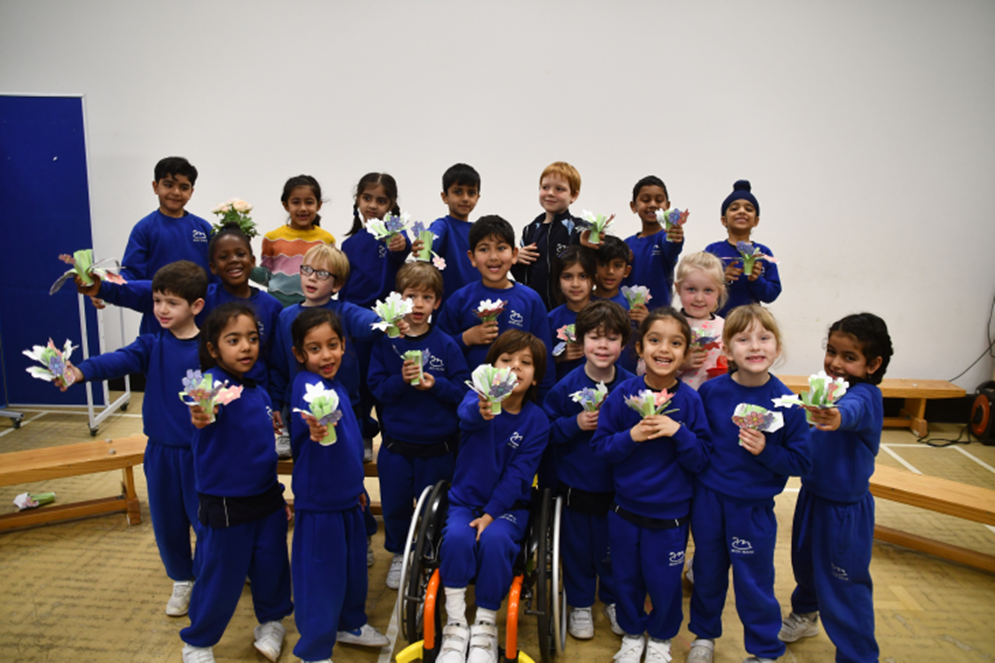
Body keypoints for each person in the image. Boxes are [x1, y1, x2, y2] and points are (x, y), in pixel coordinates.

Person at [60, 261, 207, 617]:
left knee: (206, 522)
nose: (161, 309)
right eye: (157, 300)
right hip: (160, 452)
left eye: (172, 302)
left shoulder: (212, 347)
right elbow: (118, 360)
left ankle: (209, 577)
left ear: (197, 306)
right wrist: (79, 371)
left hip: (203, 453)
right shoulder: (151, 343)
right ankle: (181, 579)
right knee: (168, 521)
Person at [688, 305, 812, 663]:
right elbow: (701, 444)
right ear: (728, 350)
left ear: (777, 347)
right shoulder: (710, 394)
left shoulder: (788, 403)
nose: (755, 346)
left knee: (753, 584)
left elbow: (802, 462)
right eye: (743, 339)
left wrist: (766, 452)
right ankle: (704, 636)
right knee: (707, 574)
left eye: (764, 338)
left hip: (753, 510)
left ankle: (765, 651)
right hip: (709, 502)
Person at [591, 308, 712, 663]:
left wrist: (679, 433)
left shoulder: (690, 401)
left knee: (664, 582)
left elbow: (701, 458)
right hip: (625, 512)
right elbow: (601, 448)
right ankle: (632, 633)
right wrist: (631, 435)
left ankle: (660, 638)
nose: (664, 349)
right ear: (640, 348)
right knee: (625, 578)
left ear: (686, 353)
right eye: (655, 340)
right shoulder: (623, 395)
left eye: (675, 343)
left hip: (671, 518)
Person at [180, 303, 293, 663]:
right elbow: (202, 411)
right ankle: (198, 641)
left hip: (266, 499)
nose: (246, 347)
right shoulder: (210, 385)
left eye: (252, 338)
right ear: (213, 348)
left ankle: (272, 622)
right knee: (220, 575)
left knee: (272, 566)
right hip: (226, 504)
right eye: (234, 340)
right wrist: (201, 412)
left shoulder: (257, 390)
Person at [780, 313, 893, 663]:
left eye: (849, 356)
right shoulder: (826, 389)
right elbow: (797, 412)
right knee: (806, 565)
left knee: (844, 585)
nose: (835, 362)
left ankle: (858, 655)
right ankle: (806, 614)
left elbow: (853, 411)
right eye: (831, 351)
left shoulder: (866, 396)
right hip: (812, 495)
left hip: (844, 509)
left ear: (872, 364)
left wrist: (837, 416)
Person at [437, 331, 550, 663]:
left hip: (507, 509)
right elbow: (469, 413)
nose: (515, 367)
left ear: (535, 378)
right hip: (464, 502)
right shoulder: (476, 400)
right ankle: (456, 624)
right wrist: (484, 409)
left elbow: (519, 476)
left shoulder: (537, 422)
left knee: (496, 542)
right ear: (490, 368)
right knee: (457, 538)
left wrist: (490, 514)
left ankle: (486, 625)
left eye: (525, 363)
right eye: (506, 360)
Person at [266, 244, 383, 560]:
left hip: (347, 416)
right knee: (312, 473)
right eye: (306, 270)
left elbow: (372, 325)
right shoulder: (286, 316)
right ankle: (317, 532)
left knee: (351, 475)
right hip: (302, 418)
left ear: (338, 284)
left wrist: (390, 320)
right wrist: (276, 403)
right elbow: (278, 365)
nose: (311, 278)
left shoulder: (345, 312)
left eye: (322, 274)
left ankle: (362, 533)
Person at [289, 308, 390, 663]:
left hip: (348, 499)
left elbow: (347, 446)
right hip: (320, 507)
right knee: (320, 579)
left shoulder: (339, 386)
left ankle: (350, 623)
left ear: (344, 345)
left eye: (332, 345)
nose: (326, 355)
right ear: (300, 355)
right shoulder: (306, 385)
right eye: (314, 349)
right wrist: (315, 428)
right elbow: (311, 415)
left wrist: (358, 490)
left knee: (351, 573)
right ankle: (313, 651)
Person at [81, 224, 282, 390]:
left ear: (253, 261)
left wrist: (273, 401)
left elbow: (276, 360)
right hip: (210, 397)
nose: (233, 261)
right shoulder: (204, 296)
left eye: (240, 254)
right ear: (212, 267)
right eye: (223, 257)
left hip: (255, 393)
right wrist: (102, 289)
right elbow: (147, 291)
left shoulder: (272, 306)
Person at [368, 261, 470, 589]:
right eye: (411, 296)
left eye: (427, 297)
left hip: (439, 449)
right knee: (396, 508)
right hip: (397, 448)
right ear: (399, 299)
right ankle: (399, 554)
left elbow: (461, 391)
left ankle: (428, 555)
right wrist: (400, 381)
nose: (418, 304)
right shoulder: (387, 342)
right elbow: (378, 389)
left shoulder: (446, 344)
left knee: (434, 510)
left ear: (437, 303)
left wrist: (435, 385)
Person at [542, 300, 633, 639]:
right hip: (575, 488)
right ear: (581, 341)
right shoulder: (565, 386)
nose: (603, 346)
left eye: (611, 339)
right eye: (596, 337)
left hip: (617, 489)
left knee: (612, 550)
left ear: (623, 344)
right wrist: (575, 423)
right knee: (577, 551)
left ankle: (611, 599)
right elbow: (547, 431)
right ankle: (580, 604)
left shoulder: (630, 387)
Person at [437, 215, 555, 400]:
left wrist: (542, 407)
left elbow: (544, 358)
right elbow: (439, 350)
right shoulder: (459, 299)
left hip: (519, 404)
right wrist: (467, 338)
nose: (493, 257)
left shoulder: (531, 301)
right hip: (469, 402)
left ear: (514, 254)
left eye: (501, 248)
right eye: (484, 249)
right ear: (472, 257)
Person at [338, 172, 411, 460]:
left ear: (390, 205)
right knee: (358, 384)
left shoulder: (394, 235)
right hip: (355, 327)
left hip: (388, 325)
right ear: (357, 200)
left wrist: (399, 242)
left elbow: (401, 246)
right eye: (367, 198)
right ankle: (364, 435)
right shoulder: (349, 244)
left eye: (381, 200)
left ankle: (393, 437)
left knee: (387, 381)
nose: (372, 205)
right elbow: (343, 288)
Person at [120, 156, 212, 334]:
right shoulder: (144, 228)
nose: (176, 192)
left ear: (191, 192)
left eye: (183, 187)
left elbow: (216, 273)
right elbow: (130, 274)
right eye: (169, 185)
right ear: (155, 187)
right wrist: (107, 291)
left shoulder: (204, 228)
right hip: (159, 323)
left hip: (200, 321)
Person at [251, 175, 336, 307]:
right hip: (278, 308)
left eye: (309, 202)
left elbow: (330, 277)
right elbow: (266, 277)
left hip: (313, 308)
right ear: (285, 205)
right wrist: (246, 267)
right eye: (296, 202)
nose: (303, 208)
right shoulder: (272, 238)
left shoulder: (326, 240)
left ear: (319, 205)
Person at [512, 161, 582, 310]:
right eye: (545, 187)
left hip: (569, 308)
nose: (550, 193)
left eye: (559, 189)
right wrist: (514, 259)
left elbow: (595, 237)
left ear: (574, 195)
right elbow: (522, 277)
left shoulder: (577, 228)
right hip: (534, 308)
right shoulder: (530, 230)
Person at [705, 180, 781, 316]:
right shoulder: (712, 251)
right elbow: (699, 287)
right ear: (724, 220)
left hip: (751, 326)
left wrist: (757, 279)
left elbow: (772, 294)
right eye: (734, 208)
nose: (741, 211)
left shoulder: (763, 253)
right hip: (717, 324)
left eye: (749, 209)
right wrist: (721, 279)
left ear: (756, 220)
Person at [416, 163, 481, 307]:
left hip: (478, 305)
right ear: (445, 197)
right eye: (458, 192)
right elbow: (432, 237)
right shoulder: (443, 225)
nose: (465, 198)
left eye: (471, 193)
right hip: (447, 307)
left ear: (478, 197)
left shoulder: (480, 231)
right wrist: (424, 245)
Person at [622, 175, 684, 310]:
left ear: (667, 206)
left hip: (659, 318)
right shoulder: (625, 244)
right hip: (627, 318)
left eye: (659, 200)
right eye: (645, 200)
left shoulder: (666, 238)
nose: (653, 204)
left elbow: (673, 245)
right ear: (633, 206)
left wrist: (675, 237)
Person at [675, 252, 729, 390]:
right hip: (678, 402)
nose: (699, 298)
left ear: (719, 291)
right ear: (678, 288)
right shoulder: (667, 325)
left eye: (708, 290)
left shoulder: (726, 328)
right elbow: (643, 368)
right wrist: (679, 365)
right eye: (691, 289)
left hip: (715, 401)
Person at [547, 245, 596, 382]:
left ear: (593, 279)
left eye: (582, 276)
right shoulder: (550, 320)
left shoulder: (606, 316)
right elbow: (541, 362)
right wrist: (558, 358)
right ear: (557, 281)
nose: (575, 284)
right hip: (563, 393)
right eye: (567, 277)